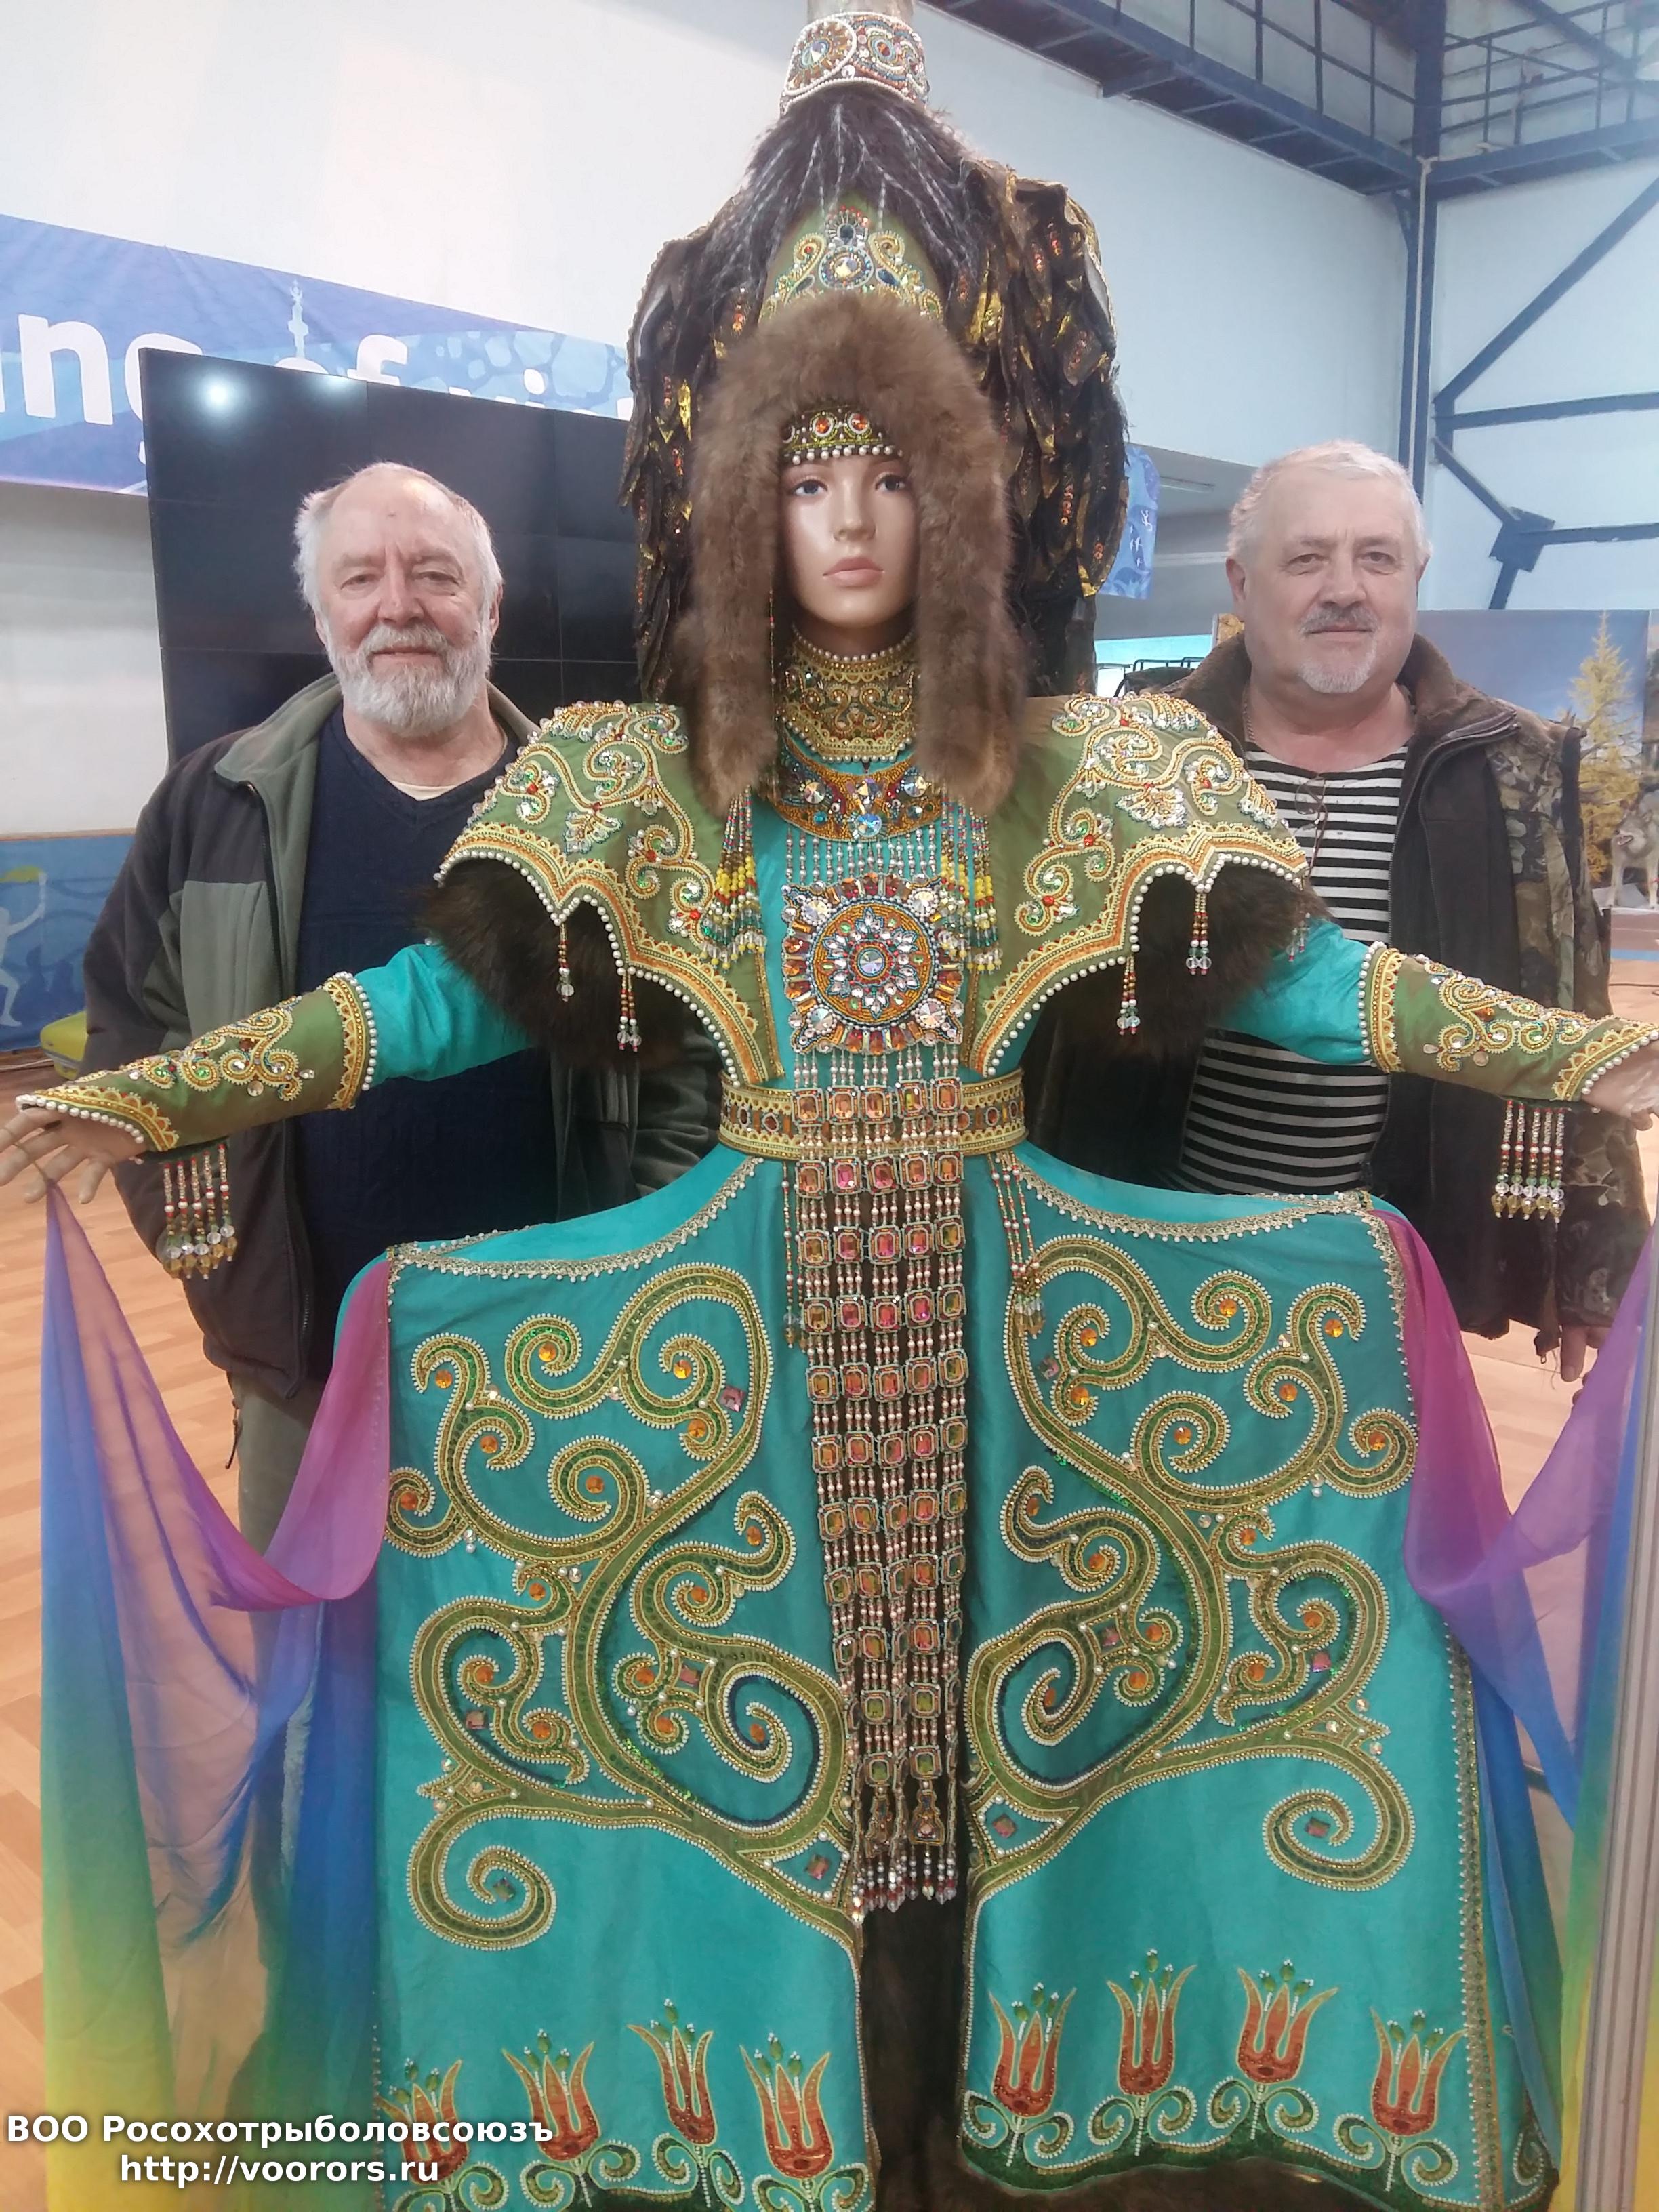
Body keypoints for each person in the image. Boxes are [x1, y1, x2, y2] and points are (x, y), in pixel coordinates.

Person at [9, 17, 1659, 2210]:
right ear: (746, 503)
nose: (852, 518)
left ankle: (1032, 2071)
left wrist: (1575, 1057)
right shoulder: (649, 780)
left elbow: (1311, 979)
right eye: (807, 477)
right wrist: (149, 1096)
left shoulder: (1073, 769)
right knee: (720, 1715)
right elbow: (420, 1008)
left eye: (890, 474)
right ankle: (744, 2088)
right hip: (740, 1335)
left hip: (1032, 1330)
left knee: (1035, 1708)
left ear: (952, 494)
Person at [80, 462, 718, 1544]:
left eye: (435, 575)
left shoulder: (598, 818)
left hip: (562, 1357)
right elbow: (134, 1034)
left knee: (543, 1630)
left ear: (491, 608)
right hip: (300, 1363)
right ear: (320, 613)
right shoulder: (214, 804)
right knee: (316, 1632)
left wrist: (637, 1262)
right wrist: (218, 1256)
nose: (398, 607)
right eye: (360, 578)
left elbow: (685, 1067)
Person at [1027, 441, 1644, 1382]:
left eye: (1377, 558)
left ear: (1417, 576)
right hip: (1141, 1251)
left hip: (1390, 1268)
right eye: (1308, 558)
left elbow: (1568, 988)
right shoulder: (1141, 755)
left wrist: (1596, 1256)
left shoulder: (1508, 764)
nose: (1345, 589)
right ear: (1243, 582)